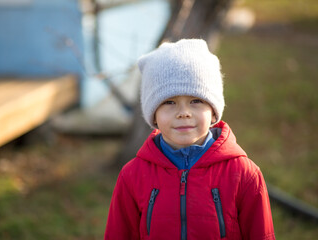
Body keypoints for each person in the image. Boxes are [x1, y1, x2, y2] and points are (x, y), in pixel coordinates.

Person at [104, 39, 275, 240]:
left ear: (213, 112)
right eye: (169, 102)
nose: (183, 113)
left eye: (196, 101)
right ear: (154, 116)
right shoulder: (133, 176)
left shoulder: (244, 174)